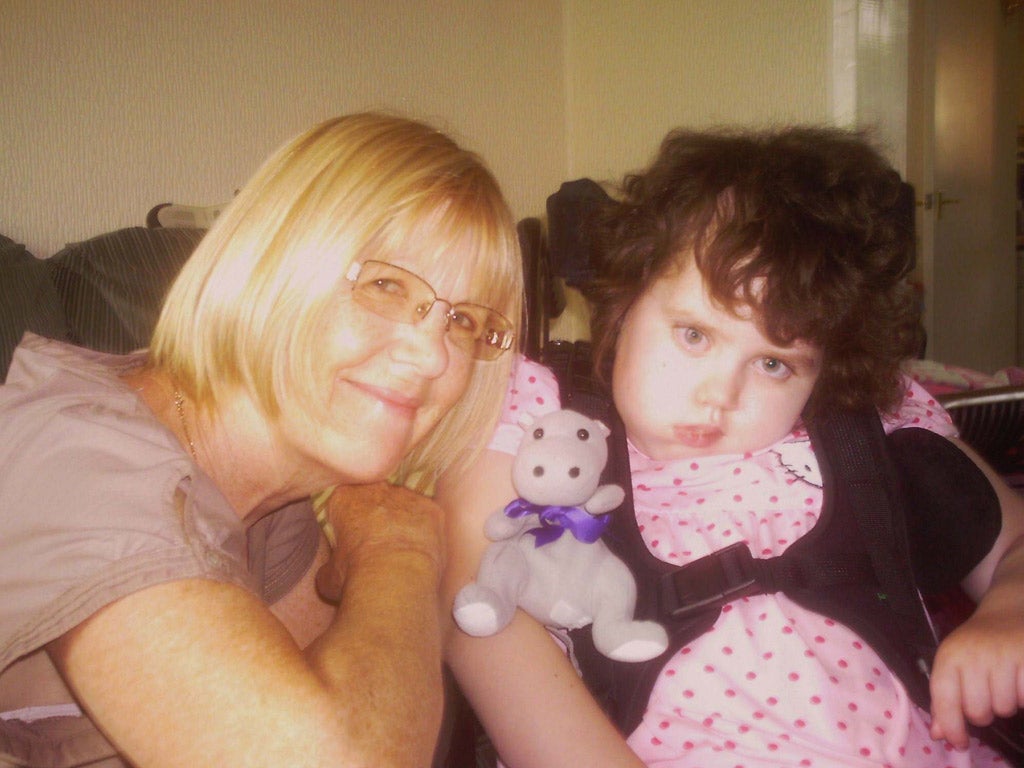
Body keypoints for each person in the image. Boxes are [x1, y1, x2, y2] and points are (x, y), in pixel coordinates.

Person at [438, 126, 1024, 767]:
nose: (720, 394)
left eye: (774, 364)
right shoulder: (549, 416)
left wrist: (1009, 609)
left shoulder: (857, 431)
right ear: (625, 299)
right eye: (694, 334)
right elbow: (469, 594)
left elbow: (1012, 541)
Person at [0, 112, 523, 768]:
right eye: (387, 284)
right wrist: (399, 548)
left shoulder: (280, 508)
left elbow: (373, 700)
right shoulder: (78, 456)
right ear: (268, 261)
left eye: (466, 322)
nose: (434, 359)